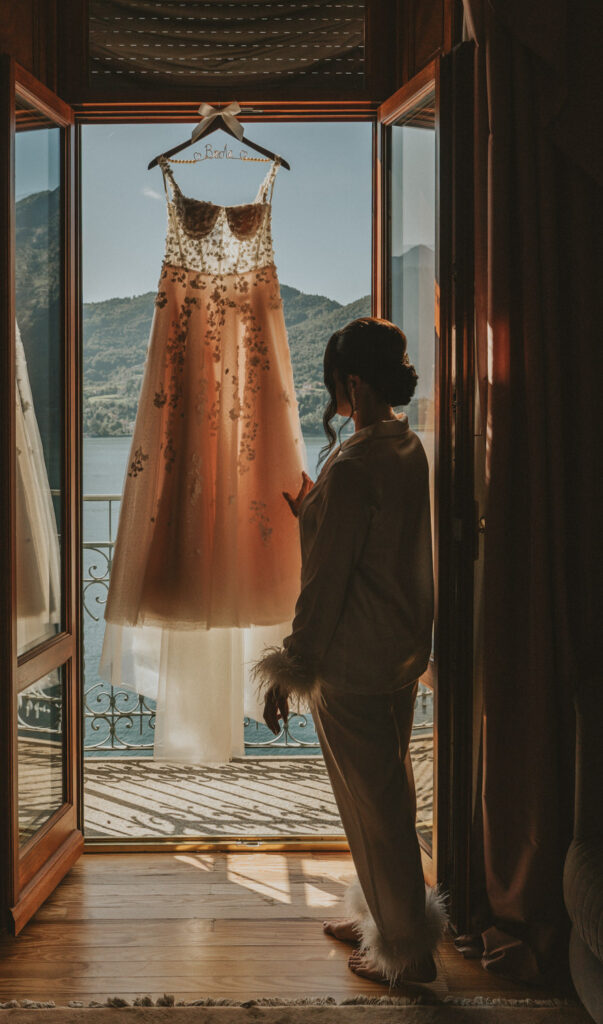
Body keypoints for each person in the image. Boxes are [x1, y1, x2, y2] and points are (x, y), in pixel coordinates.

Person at [253, 317, 447, 986]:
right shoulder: (405, 447)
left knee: (377, 808)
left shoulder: (354, 466)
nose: (332, 393)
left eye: (336, 382)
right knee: (387, 796)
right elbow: (378, 550)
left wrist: (288, 670)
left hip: (354, 661)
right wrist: (317, 511)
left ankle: (407, 953)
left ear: (353, 383)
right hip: (397, 651)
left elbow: (325, 584)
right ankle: (385, 918)